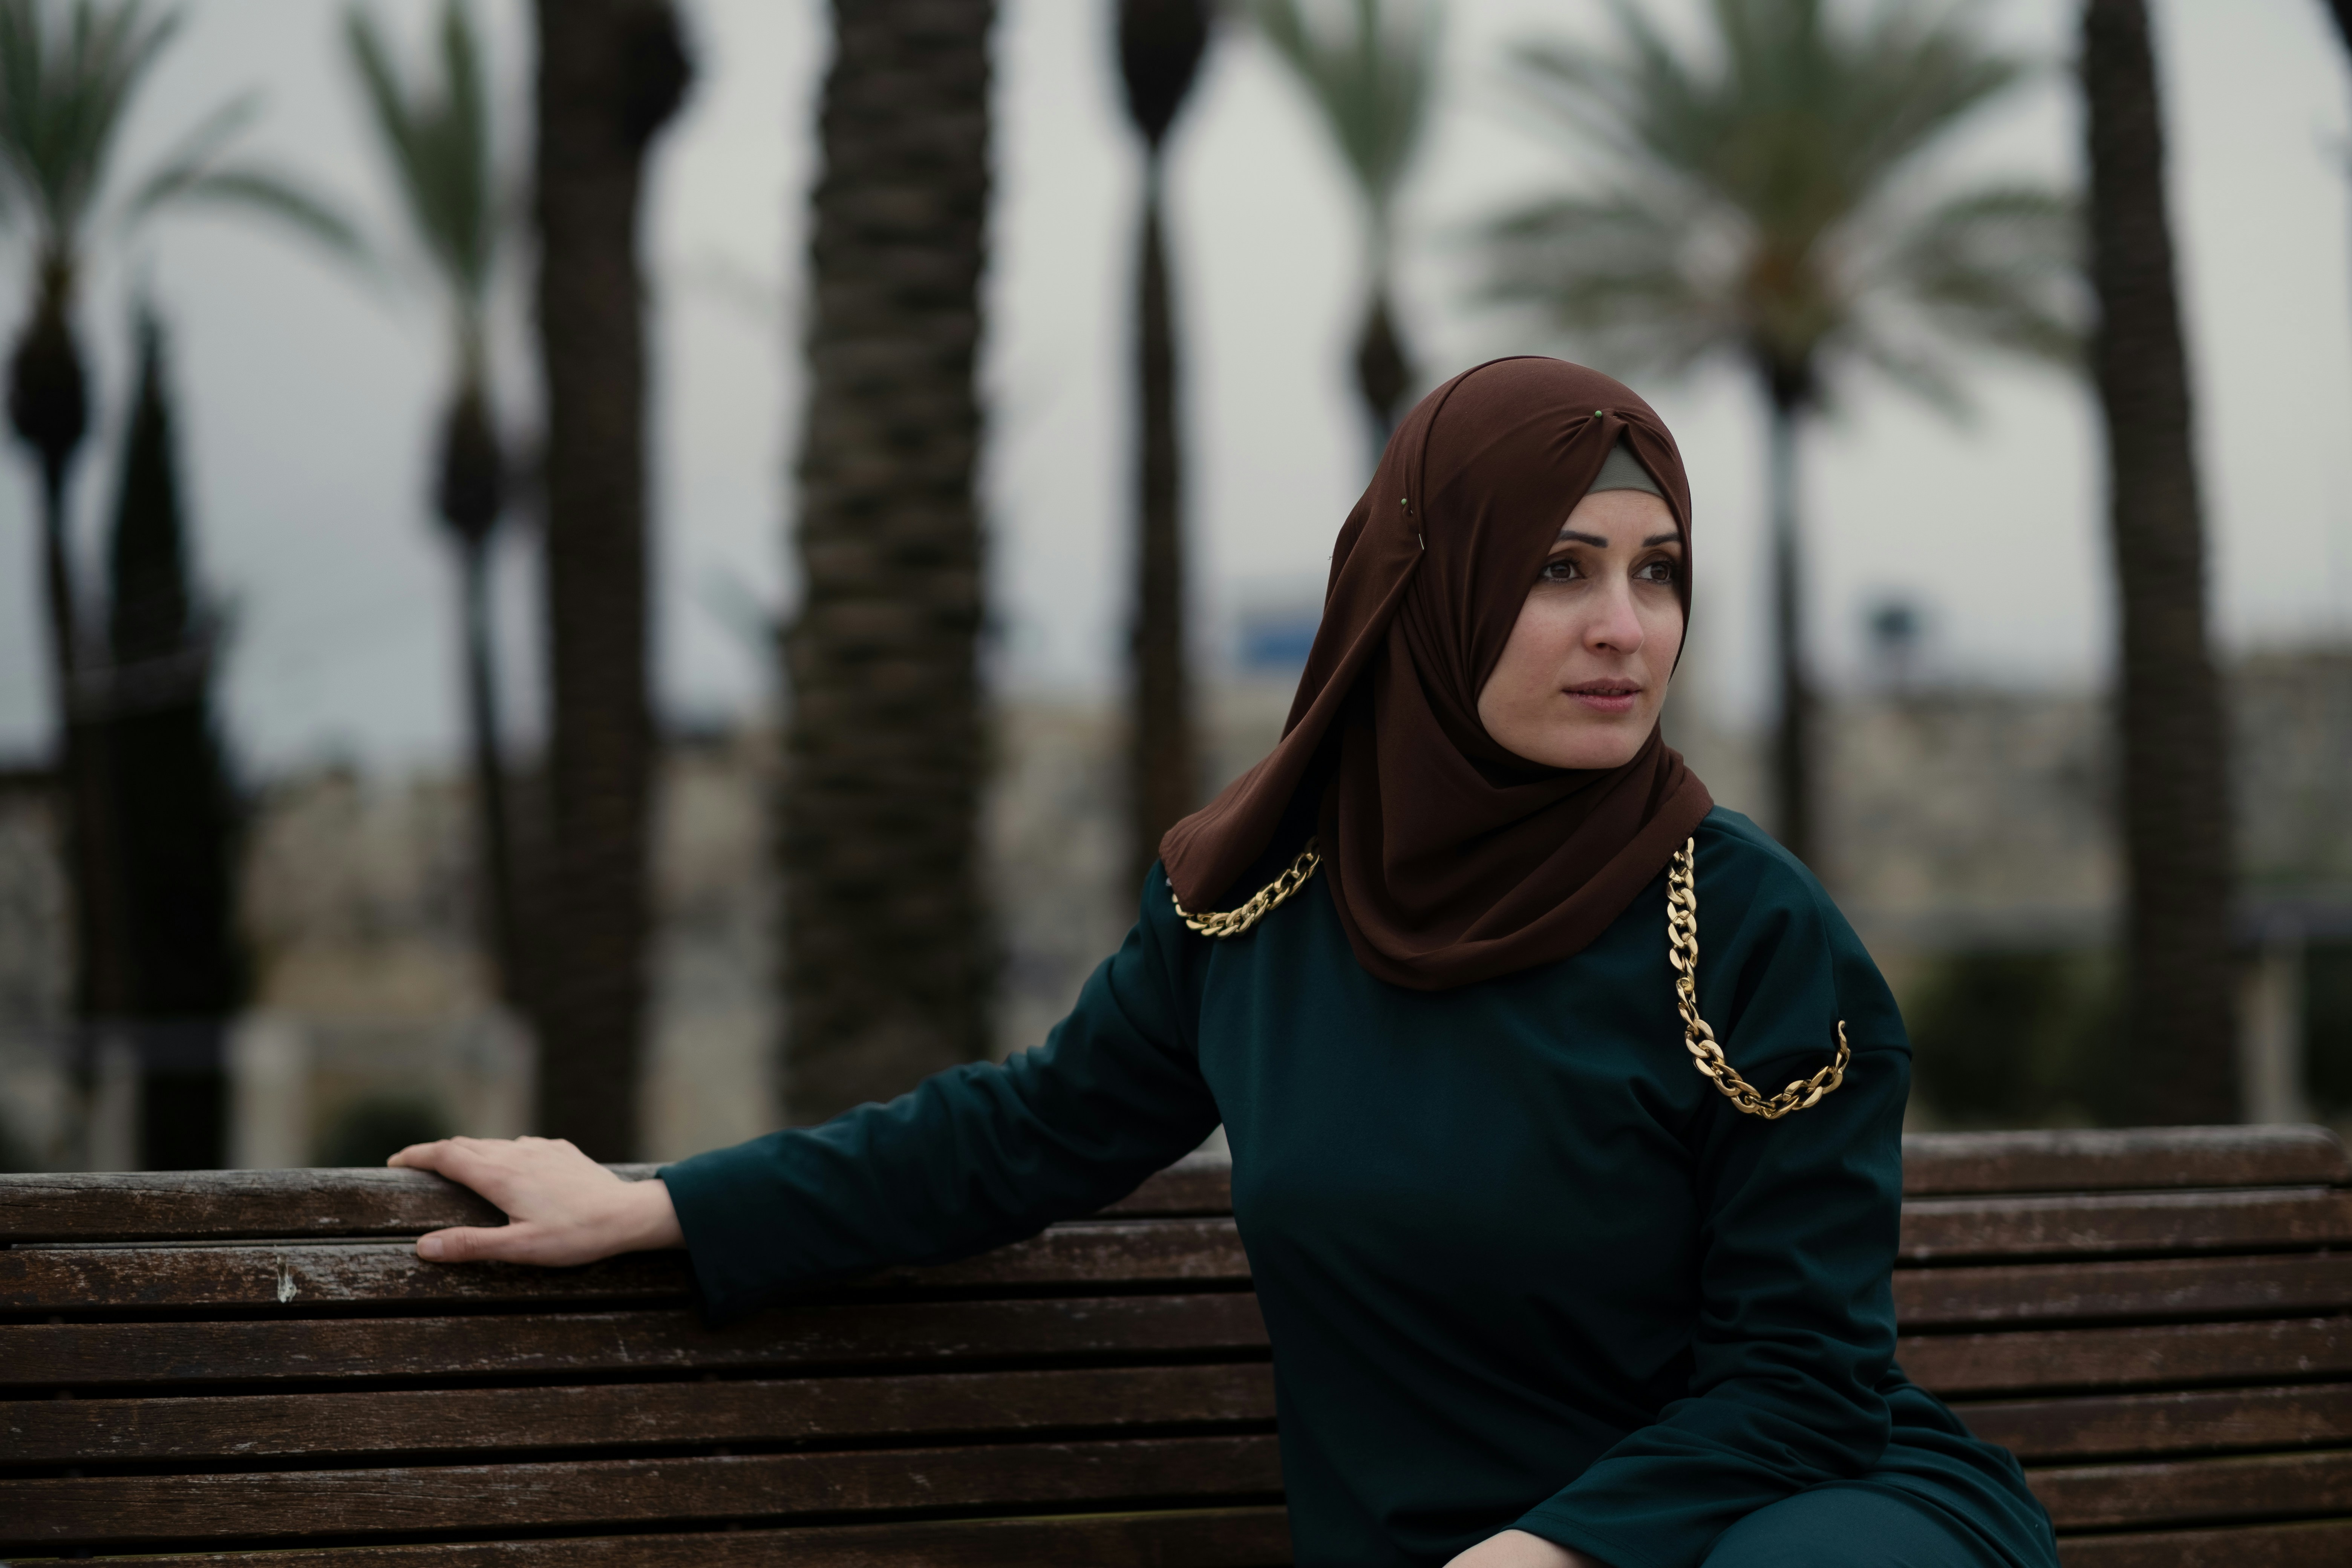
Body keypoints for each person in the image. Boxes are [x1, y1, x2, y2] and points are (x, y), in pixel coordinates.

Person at [391, 358, 2060, 1568]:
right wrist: (662, 1201)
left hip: (1769, 1525)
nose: (1626, 625)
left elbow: (1803, 1380)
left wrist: (1548, 1556)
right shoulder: (1258, 900)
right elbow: (1020, 1134)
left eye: (1657, 570)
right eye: (1557, 569)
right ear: (1429, 586)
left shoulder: (1752, 935)